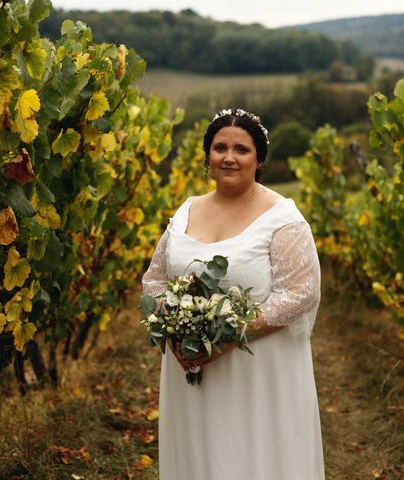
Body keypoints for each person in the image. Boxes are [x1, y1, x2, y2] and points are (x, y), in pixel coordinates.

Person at [141, 108, 325, 480]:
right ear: (207, 156)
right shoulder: (186, 211)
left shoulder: (283, 218)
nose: (229, 157)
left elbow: (300, 293)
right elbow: (155, 279)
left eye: (241, 149)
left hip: (255, 368)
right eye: (219, 147)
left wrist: (224, 338)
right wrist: (177, 330)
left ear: (258, 160)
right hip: (190, 367)